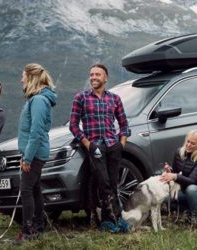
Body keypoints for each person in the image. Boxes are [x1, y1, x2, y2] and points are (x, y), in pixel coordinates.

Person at [69, 63, 130, 233]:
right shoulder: (81, 98)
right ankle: (113, 220)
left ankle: (112, 220)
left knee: (113, 183)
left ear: (105, 78)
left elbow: (124, 124)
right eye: (91, 74)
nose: (93, 77)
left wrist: (121, 143)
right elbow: (73, 125)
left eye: (97, 74)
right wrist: (89, 144)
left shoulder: (114, 99)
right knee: (103, 183)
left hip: (112, 145)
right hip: (95, 146)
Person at [17, 63, 57, 241]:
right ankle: (38, 228)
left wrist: (27, 158)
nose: (21, 79)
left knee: (26, 190)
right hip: (33, 152)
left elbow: (36, 131)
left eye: (23, 76)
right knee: (34, 189)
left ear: (31, 78)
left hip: (35, 153)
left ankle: (28, 231)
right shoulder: (36, 99)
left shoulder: (39, 100)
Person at [160, 129, 197, 227]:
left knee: (191, 189)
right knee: (165, 198)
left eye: (193, 143)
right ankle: (188, 212)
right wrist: (169, 171)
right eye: (188, 141)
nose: (188, 145)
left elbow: (192, 180)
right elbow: (175, 172)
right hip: (184, 192)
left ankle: (195, 221)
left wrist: (175, 176)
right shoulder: (179, 153)